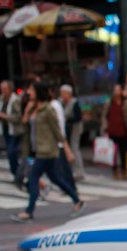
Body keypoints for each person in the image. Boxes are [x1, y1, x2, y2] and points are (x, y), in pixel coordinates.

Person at [11, 81, 85, 222]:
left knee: (33, 177)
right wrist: (27, 110)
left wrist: (67, 150)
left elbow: (57, 131)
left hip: (47, 150)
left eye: (32, 90)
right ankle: (77, 200)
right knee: (55, 178)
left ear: (38, 92)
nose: (29, 93)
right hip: (36, 149)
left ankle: (29, 211)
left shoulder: (49, 109)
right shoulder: (34, 108)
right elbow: (24, 124)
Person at [0, 80, 24, 181]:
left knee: (12, 151)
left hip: (14, 130)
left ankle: (17, 173)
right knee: (10, 152)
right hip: (5, 128)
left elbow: (18, 117)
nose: (3, 91)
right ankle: (17, 173)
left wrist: (4, 116)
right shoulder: (1, 98)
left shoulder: (15, 100)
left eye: (5, 89)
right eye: (1, 89)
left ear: (10, 89)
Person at [100, 83, 127, 180]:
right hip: (112, 130)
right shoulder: (109, 102)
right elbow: (104, 116)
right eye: (115, 90)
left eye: (118, 90)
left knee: (123, 152)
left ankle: (123, 171)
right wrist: (104, 128)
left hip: (123, 130)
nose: (116, 92)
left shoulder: (125, 102)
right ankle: (114, 171)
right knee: (113, 153)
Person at [59, 85, 86, 181]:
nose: (63, 96)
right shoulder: (60, 102)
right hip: (65, 129)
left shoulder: (74, 103)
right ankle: (68, 170)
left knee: (74, 148)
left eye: (64, 93)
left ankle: (79, 171)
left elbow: (78, 117)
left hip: (75, 128)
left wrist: (67, 120)